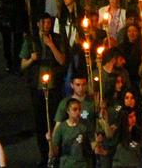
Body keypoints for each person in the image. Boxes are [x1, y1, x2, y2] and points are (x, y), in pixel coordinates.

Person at [21, 12, 66, 166]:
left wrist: (51, 45)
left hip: (53, 87)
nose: (47, 25)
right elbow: (22, 64)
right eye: (44, 22)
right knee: (40, 122)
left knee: (55, 122)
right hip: (37, 88)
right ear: (39, 24)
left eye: (49, 23)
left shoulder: (58, 38)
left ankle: (55, 153)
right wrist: (31, 59)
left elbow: (61, 60)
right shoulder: (31, 40)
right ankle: (43, 155)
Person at [49, 98, 91, 168]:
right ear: (68, 111)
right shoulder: (62, 128)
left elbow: (90, 147)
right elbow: (54, 152)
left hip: (82, 164)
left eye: (79, 110)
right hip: (66, 164)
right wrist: (50, 141)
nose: (78, 112)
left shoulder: (84, 126)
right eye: (75, 109)